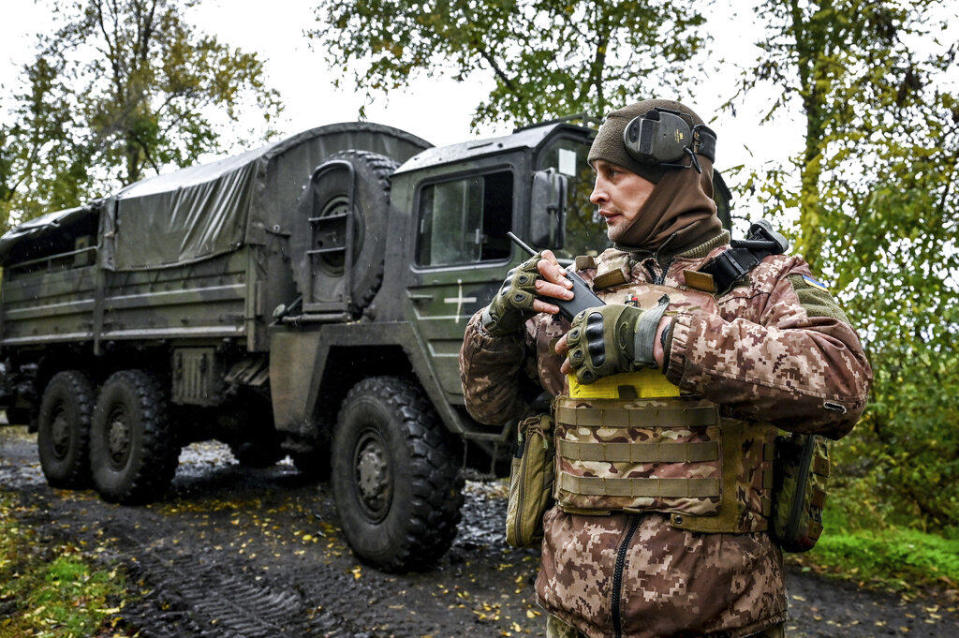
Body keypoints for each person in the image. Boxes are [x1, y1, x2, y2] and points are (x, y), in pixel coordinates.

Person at [458, 99, 872, 638]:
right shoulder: (574, 288)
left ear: (674, 180)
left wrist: (661, 337)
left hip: (719, 622)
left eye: (613, 174)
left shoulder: (762, 283)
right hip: (573, 619)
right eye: (594, 177)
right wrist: (496, 320)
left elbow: (842, 384)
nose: (596, 194)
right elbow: (487, 404)